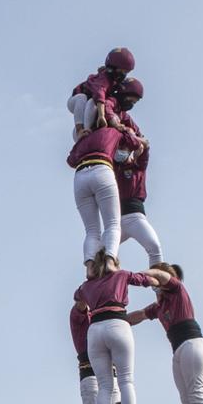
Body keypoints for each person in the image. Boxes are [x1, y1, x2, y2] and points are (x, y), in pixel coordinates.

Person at [75, 254, 170, 404]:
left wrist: (91, 279)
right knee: (126, 380)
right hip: (117, 323)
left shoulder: (87, 286)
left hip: (95, 329)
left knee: (104, 385)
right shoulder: (122, 275)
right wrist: (160, 283)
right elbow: (146, 280)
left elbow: (77, 298)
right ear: (115, 264)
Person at [68, 47, 141, 262]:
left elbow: (70, 159)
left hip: (81, 171)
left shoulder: (85, 141)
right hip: (101, 169)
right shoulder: (112, 131)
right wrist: (132, 136)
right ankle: (109, 261)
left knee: (91, 230)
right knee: (112, 224)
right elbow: (133, 140)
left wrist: (83, 138)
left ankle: (90, 265)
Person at [129, 265, 203, 404]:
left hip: (192, 344)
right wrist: (112, 318)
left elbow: (161, 275)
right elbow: (139, 315)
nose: (154, 291)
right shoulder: (160, 306)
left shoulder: (176, 291)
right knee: (186, 397)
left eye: (155, 286)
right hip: (178, 349)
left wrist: (137, 277)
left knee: (197, 392)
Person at [108, 77, 164, 267]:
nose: (124, 153)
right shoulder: (114, 167)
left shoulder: (138, 167)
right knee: (102, 253)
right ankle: (97, 288)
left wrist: (139, 142)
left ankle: (161, 292)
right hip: (116, 219)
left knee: (155, 247)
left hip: (135, 216)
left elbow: (144, 146)